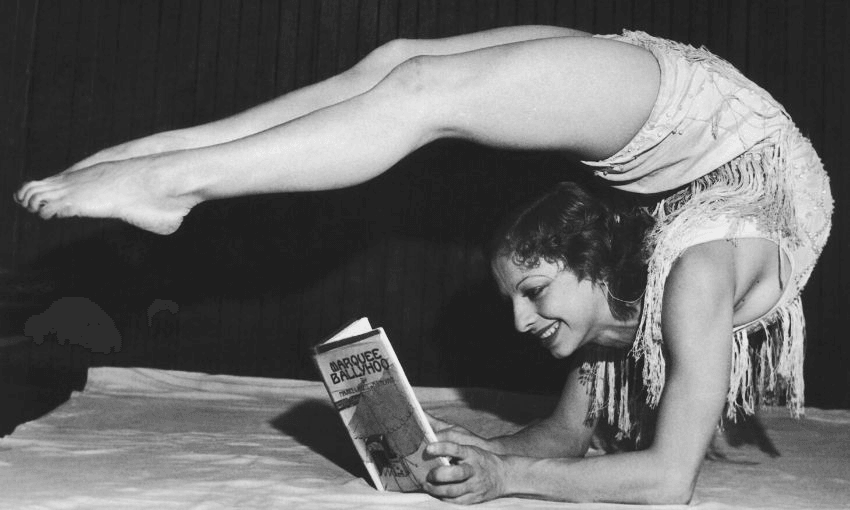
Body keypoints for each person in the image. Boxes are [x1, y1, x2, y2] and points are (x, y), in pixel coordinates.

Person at [13, 26, 832, 504]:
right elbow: (562, 442)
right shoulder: (662, 290)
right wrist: (479, 447)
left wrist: (502, 468)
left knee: (419, 84)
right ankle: (168, 158)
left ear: (592, 261)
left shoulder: (686, 283)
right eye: (522, 296)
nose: (518, 321)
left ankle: (171, 176)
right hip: (719, 134)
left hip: (726, 151)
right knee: (401, 64)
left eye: (534, 291)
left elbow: (665, 481)